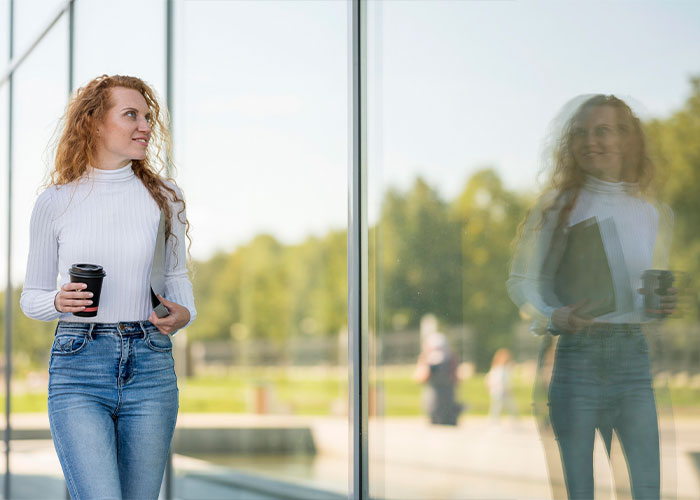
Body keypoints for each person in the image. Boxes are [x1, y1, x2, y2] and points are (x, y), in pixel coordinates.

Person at [20, 74, 196, 500]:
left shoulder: (164, 196)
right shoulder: (56, 202)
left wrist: (184, 312)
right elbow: (32, 296)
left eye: (148, 117)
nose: (146, 127)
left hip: (150, 364)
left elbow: (176, 276)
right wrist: (58, 301)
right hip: (79, 364)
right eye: (131, 115)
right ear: (95, 123)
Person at [507, 95, 676, 499]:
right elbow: (521, 280)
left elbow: (642, 295)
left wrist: (659, 308)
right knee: (579, 492)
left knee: (647, 491)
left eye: (602, 130)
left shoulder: (654, 213)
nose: (590, 142)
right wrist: (553, 315)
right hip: (576, 361)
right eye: (580, 133)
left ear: (626, 138)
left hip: (634, 363)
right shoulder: (557, 207)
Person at [413, 314, 462, 426]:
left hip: (446, 400)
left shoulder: (450, 358)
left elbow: (456, 378)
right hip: (433, 402)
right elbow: (420, 378)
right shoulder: (428, 359)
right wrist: (427, 365)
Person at [485, 348, 518, 425]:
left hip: (504, 391)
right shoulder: (497, 368)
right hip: (498, 391)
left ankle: (515, 420)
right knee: (497, 406)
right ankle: (493, 421)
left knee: (510, 406)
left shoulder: (505, 369)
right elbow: (490, 379)